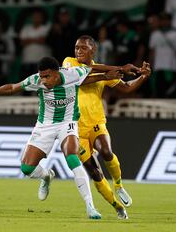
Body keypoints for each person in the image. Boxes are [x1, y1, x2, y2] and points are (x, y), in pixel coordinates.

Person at [0, 56, 134, 219]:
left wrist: (118, 70)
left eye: (47, 76)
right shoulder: (36, 81)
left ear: (57, 72)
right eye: (42, 76)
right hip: (45, 126)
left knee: (72, 158)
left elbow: (95, 69)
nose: (44, 80)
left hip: (68, 123)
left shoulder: (72, 74)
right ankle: (47, 176)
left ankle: (90, 207)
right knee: (27, 168)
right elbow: (11, 88)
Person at [62, 35, 151, 219]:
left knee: (106, 152)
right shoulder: (69, 63)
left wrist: (142, 77)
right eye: (77, 47)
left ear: (93, 50)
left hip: (96, 122)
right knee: (95, 173)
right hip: (75, 129)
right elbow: (84, 74)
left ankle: (119, 185)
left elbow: (126, 87)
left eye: (83, 48)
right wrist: (119, 68)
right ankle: (117, 206)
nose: (78, 51)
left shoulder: (105, 71)